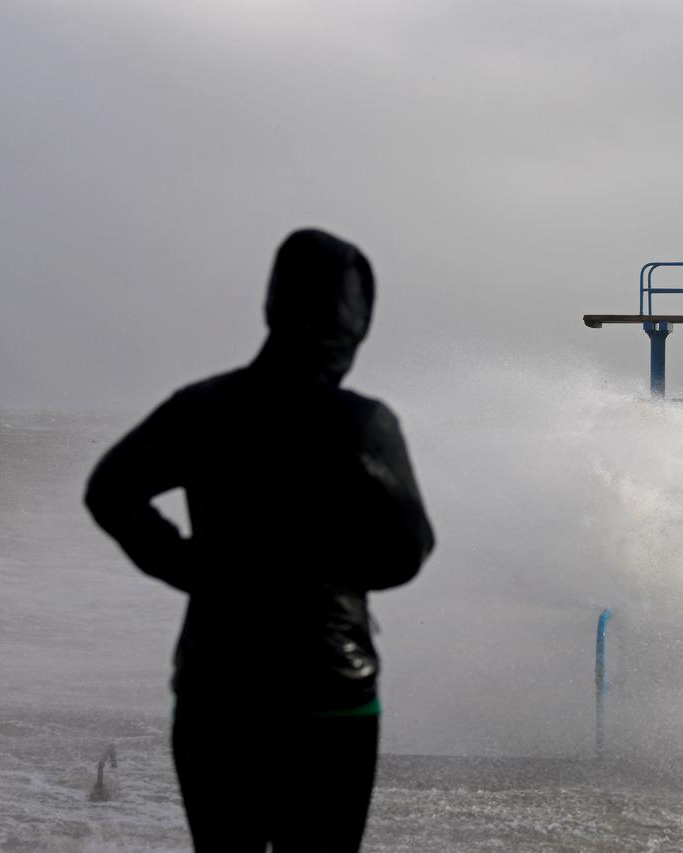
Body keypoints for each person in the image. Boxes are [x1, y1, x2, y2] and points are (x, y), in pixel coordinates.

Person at [84, 228, 435, 852]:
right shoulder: (363, 423)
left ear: (273, 306)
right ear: (354, 327)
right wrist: (326, 574)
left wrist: (193, 570)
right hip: (330, 687)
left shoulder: (205, 407)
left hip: (219, 685)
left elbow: (110, 490)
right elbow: (408, 552)